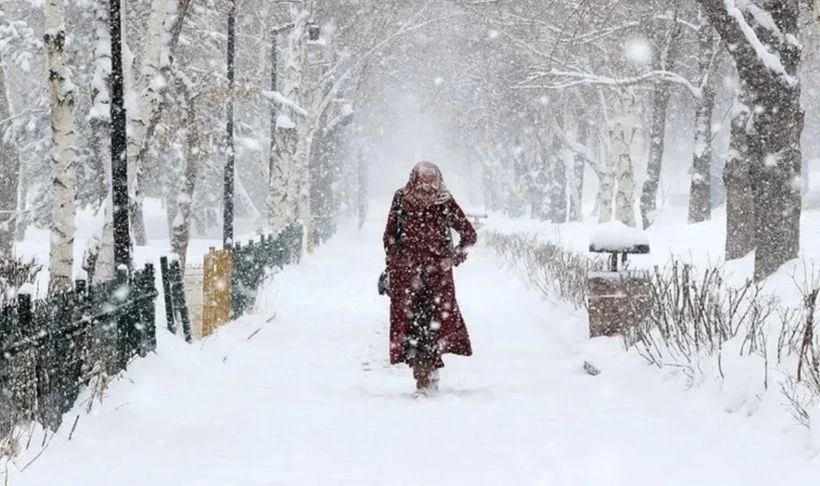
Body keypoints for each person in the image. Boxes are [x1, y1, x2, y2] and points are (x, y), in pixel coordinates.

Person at [382, 161, 477, 395]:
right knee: (413, 328)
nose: (426, 194)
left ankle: (427, 375)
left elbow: (469, 234)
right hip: (408, 279)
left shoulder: (445, 202)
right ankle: (422, 375)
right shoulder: (401, 199)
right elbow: (390, 235)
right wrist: (396, 261)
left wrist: (454, 258)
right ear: (413, 182)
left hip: (437, 280)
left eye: (431, 189)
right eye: (422, 188)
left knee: (432, 327)